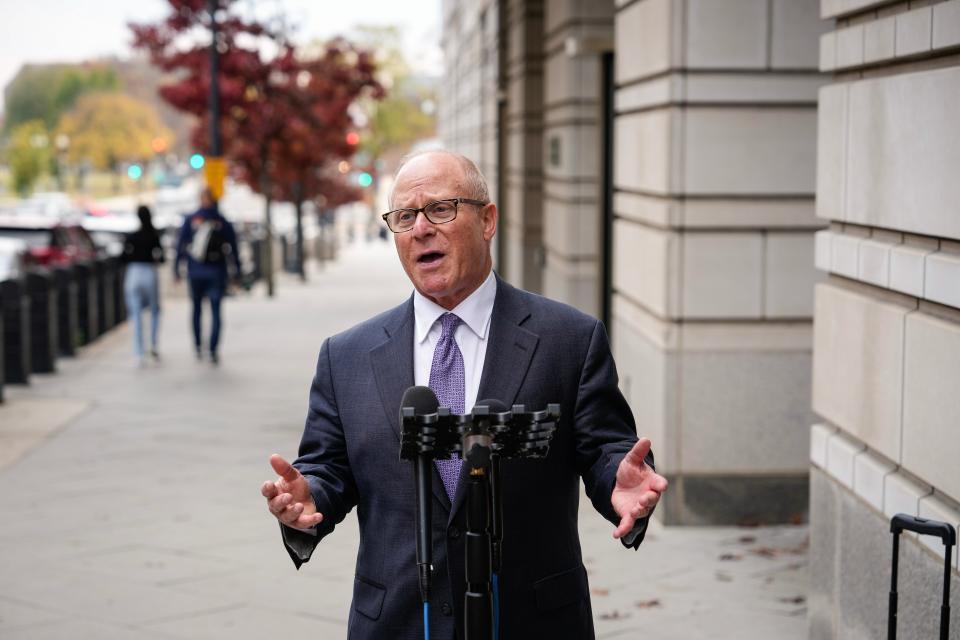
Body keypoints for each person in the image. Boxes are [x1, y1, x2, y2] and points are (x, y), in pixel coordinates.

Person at [260, 150, 668, 639]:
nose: (420, 229)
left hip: (532, 621)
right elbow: (329, 468)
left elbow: (604, 450)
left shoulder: (568, 340)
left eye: (440, 209)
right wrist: (306, 498)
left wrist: (618, 483)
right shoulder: (346, 355)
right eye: (405, 217)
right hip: (399, 622)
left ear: (488, 219)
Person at [173, 188, 241, 365]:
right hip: (216, 272)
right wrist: (237, 271)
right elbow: (233, 248)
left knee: (196, 309)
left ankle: (197, 345)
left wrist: (176, 269)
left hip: (195, 271)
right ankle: (213, 349)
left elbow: (180, 244)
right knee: (216, 311)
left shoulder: (191, 219)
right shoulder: (222, 221)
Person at [122, 205, 164, 366]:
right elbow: (161, 257)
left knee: (136, 313)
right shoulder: (153, 235)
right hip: (149, 272)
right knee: (154, 310)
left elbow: (123, 256)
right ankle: (152, 345)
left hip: (134, 272)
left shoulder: (132, 236)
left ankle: (139, 352)